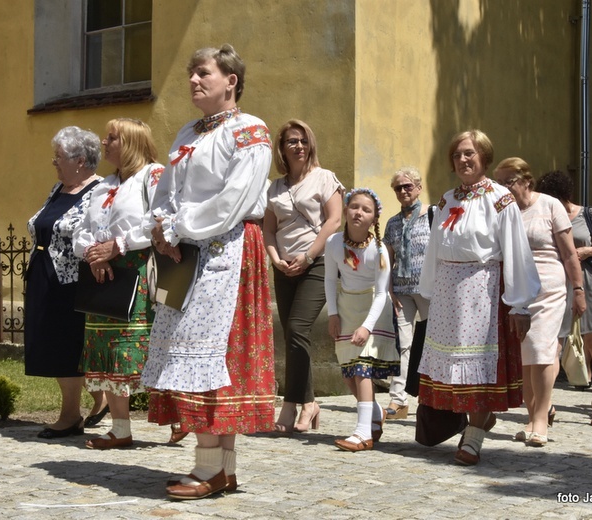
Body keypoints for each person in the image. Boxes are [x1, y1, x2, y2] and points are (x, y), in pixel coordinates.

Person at [141, 45, 275, 500]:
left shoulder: (249, 131)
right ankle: (219, 468)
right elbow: (166, 191)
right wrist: (160, 228)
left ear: (230, 80)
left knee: (217, 356)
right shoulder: (186, 132)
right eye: (191, 74)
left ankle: (212, 468)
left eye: (203, 73)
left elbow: (234, 199)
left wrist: (178, 227)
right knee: (191, 354)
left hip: (227, 251)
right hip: (185, 255)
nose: (194, 81)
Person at [417, 130, 540, 465]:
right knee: (451, 363)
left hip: (481, 287)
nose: (463, 160)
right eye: (457, 155)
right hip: (447, 289)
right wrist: (428, 291)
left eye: (469, 153)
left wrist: (519, 303)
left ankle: (474, 433)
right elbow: (434, 249)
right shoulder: (446, 200)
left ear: (484, 157)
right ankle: (474, 420)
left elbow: (515, 249)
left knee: (477, 366)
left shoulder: (500, 198)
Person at [73, 118, 164, 449]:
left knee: (142, 349)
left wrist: (119, 245)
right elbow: (82, 228)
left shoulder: (153, 176)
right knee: (109, 351)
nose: (104, 141)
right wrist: (93, 254)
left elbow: (159, 220)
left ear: (131, 143)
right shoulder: (102, 185)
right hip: (102, 273)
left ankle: (178, 415)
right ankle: (121, 429)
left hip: (137, 271)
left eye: (111, 137)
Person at [493, 158, 585, 445]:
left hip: (549, 289)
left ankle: (542, 420)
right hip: (517, 293)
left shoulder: (549, 205)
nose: (503, 188)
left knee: (541, 351)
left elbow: (569, 253)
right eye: (499, 183)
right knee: (525, 358)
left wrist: (579, 289)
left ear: (526, 181)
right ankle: (532, 417)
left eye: (508, 181)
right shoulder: (501, 210)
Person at [263, 119, 343, 434]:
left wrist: (308, 255)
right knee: (293, 337)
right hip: (283, 267)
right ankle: (308, 403)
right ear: (281, 148)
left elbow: (334, 220)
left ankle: (290, 404)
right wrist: (276, 260)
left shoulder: (325, 179)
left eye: (303, 140)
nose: (298, 146)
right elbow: (268, 229)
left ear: (310, 145)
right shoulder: (276, 187)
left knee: (297, 328)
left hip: (318, 263)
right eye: (291, 141)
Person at [25, 126, 103, 438]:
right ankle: (100, 399)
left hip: (71, 280)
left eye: (59, 157)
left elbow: (96, 232)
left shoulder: (98, 191)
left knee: (67, 346)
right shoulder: (59, 189)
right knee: (52, 343)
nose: (54, 163)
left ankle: (71, 415)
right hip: (44, 273)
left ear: (80, 160)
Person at [538, 170, 592, 427]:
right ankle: (545, 404)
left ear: (564, 196)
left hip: (588, 283)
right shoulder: (546, 216)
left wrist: (586, 250)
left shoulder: (589, 214)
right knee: (554, 346)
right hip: (557, 283)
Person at [324, 188, 399, 452]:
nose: (359, 212)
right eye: (354, 207)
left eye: (366, 210)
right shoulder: (333, 243)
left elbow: (381, 292)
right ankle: (376, 413)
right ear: (346, 210)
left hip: (373, 310)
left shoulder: (378, 250)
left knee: (362, 368)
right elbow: (330, 280)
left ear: (375, 219)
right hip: (347, 307)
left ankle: (362, 432)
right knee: (348, 372)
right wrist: (332, 313)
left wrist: (367, 326)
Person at [382, 166, 431, 419]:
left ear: (418, 188)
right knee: (402, 343)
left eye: (407, 186)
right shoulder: (392, 223)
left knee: (432, 343)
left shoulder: (433, 215)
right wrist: (388, 289)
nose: (403, 191)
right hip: (401, 291)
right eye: (398, 187)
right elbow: (387, 260)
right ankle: (398, 400)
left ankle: (432, 397)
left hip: (428, 290)